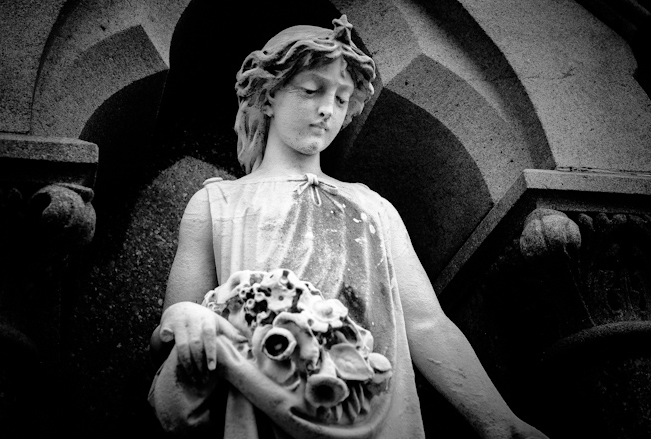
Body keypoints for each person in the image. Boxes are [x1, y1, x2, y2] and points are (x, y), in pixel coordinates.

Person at [149, 15, 548, 439]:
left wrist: (497, 420)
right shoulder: (216, 204)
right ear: (268, 97)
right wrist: (186, 317)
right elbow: (167, 337)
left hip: (372, 408)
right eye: (311, 90)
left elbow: (426, 323)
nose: (327, 109)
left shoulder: (373, 206)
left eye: (341, 99)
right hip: (262, 406)